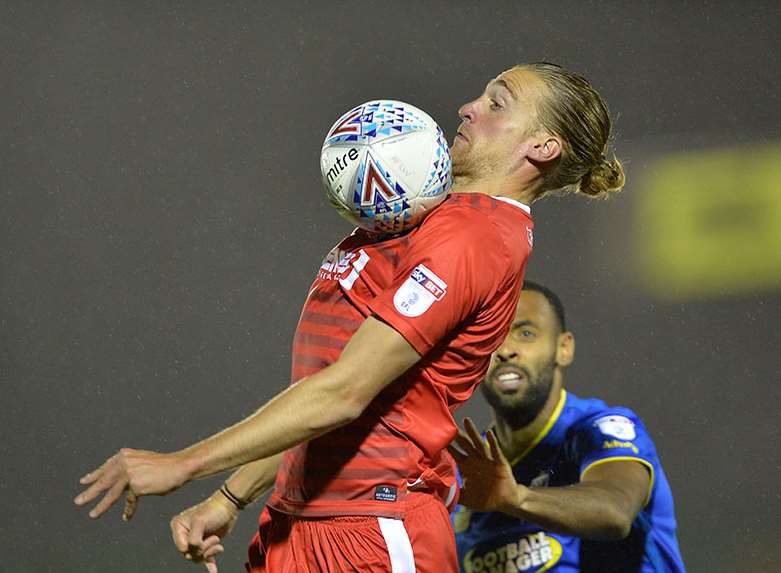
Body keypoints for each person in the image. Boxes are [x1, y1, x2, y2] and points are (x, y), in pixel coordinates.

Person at [73, 62, 625, 572]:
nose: (467, 108)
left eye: (497, 104)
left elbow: (346, 392)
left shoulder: (474, 237)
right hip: (303, 521)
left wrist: (186, 464)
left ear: (543, 147)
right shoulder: (427, 218)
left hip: (373, 530)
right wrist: (232, 495)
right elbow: (329, 400)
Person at [450, 281, 685, 572]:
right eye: (492, 335)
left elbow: (615, 511)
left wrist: (516, 498)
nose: (506, 349)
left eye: (526, 333)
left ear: (564, 348)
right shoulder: (465, 467)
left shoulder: (598, 430)